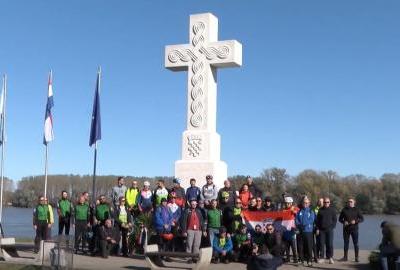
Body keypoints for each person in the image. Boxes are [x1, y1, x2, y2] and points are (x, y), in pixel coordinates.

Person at [338, 197, 364, 262]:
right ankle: (345, 257)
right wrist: (344, 222)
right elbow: (340, 219)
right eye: (348, 202)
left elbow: (362, 219)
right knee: (346, 243)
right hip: (346, 229)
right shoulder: (344, 210)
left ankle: (356, 257)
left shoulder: (357, 210)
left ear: (354, 202)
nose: (349, 203)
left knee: (356, 243)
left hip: (354, 229)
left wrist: (355, 221)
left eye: (351, 201)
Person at [295, 196, 316, 266]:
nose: (305, 204)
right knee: (300, 246)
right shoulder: (299, 211)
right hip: (300, 231)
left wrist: (304, 224)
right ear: (302, 203)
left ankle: (309, 260)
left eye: (307, 203)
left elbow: (311, 220)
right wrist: (299, 225)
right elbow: (296, 219)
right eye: (304, 203)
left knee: (309, 246)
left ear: (309, 203)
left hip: (308, 231)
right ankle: (301, 260)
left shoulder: (311, 211)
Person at [316, 197, 337, 264]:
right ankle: (322, 258)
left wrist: (332, 227)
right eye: (325, 202)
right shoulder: (320, 210)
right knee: (321, 244)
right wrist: (318, 228)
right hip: (322, 230)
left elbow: (335, 220)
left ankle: (330, 258)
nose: (326, 203)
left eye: (327, 202)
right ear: (323, 203)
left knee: (330, 244)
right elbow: (317, 221)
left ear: (329, 203)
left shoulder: (332, 210)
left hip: (329, 230)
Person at [282, 196, 299, 263]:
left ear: (291, 203)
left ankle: (295, 258)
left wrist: (294, 211)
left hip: (292, 229)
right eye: (286, 203)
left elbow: (298, 213)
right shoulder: (283, 210)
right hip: (285, 229)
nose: (287, 204)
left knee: (293, 244)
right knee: (286, 245)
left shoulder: (295, 208)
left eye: (288, 203)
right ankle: (288, 257)